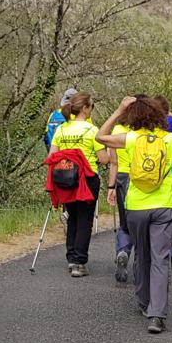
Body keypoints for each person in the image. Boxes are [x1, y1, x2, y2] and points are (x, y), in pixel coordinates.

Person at [96, 95, 172, 334]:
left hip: (136, 206)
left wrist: (118, 110)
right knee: (160, 258)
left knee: (142, 255)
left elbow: (100, 137)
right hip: (163, 205)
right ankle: (157, 314)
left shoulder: (131, 138)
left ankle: (144, 301)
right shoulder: (171, 139)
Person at [48, 91, 105, 275]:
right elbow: (103, 158)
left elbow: (52, 156)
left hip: (66, 178)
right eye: (91, 106)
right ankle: (80, 262)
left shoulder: (61, 129)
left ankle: (71, 258)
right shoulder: (92, 130)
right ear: (85, 108)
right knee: (85, 220)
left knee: (72, 217)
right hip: (87, 179)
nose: (91, 110)